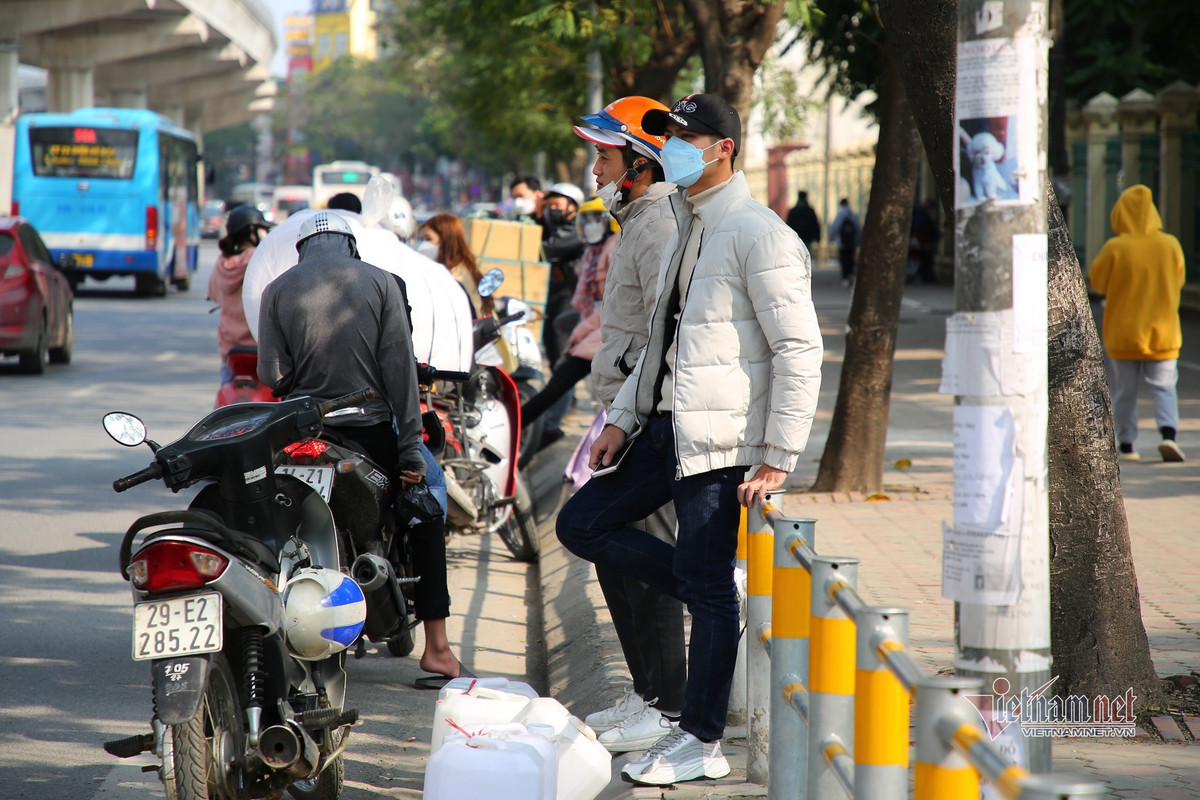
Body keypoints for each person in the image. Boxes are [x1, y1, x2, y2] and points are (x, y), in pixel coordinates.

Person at [556, 93, 823, 786]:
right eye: (669, 134)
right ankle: (714, 598)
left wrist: (777, 458)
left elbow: (798, 350)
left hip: (723, 440)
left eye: (687, 136)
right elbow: (661, 342)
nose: (674, 145)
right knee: (582, 523)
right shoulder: (688, 221)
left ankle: (700, 738)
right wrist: (620, 417)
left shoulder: (759, 234)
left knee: (706, 588)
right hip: (666, 424)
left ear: (722, 147)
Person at [257, 211, 470, 685]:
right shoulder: (381, 283)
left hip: (304, 434)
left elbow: (272, 377)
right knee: (428, 508)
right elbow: (400, 372)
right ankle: (437, 649)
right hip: (370, 432)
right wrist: (411, 448)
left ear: (303, 249)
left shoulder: (277, 290)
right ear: (351, 247)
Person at [566, 95, 690, 756]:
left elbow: (663, 335)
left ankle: (671, 707)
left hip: (652, 421)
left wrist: (625, 413)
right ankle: (648, 693)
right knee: (608, 552)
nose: (593, 168)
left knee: (638, 561)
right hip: (625, 416)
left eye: (603, 155)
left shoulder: (662, 224)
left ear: (641, 163)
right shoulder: (638, 219)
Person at [1088, 184, 1186, 463]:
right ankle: (1168, 435)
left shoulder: (1115, 247)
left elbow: (1098, 282)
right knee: (1165, 386)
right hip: (1163, 333)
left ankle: (1128, 445)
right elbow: (1178, 280)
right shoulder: (1171, 245)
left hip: (1124, 333)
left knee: (1124, 392)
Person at [519, 196, 617, 432]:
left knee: (561, 379)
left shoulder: (614, 248)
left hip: (608, 325)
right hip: (597, 321)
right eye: (586, 220)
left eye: (594, 219)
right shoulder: (597, 250)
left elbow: (613, 304)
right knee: (562, 338)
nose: (588, 225)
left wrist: (579, 333)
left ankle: (528, 425)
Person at [209, 204, 272, 382]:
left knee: (227, 404)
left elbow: (213, 294)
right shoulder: (259, 258)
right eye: (261, 229)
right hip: (259, 349)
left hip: (230, 350)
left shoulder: (223, 261)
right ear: (252, 232)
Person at [541, 182, 586, 364]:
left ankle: (565, 391)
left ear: (573, 206)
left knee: (561, 346)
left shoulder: (577, 228)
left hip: (570, 292)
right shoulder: (559, 228)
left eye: (556, 205)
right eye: (549, 206)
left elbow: (547, 248)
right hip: (558, 290)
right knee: (550, 341)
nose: (552, 210)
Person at [418, 213, 492, 317]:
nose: (423, 245)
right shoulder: (463, 267)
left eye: (428, 239)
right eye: (421, 239)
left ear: (446, 240)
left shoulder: (454, 275)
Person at [828, 198, 861, 286]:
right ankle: (850, 275)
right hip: (851, 242)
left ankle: (845, 277)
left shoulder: (840, 214)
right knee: (850, 259)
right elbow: (857, 228)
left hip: (841, 242)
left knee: (844, 259)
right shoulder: (853, 214)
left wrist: (831, 238)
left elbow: (835, 227)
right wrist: (858, 240)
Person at [785, 189, 821, 255]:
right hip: (807, 238)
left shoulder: (793, 211)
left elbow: (788, 224)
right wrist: (817, 237)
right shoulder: (810, 211)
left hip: (796, 238)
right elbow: (815, 225)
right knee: (806, 255)